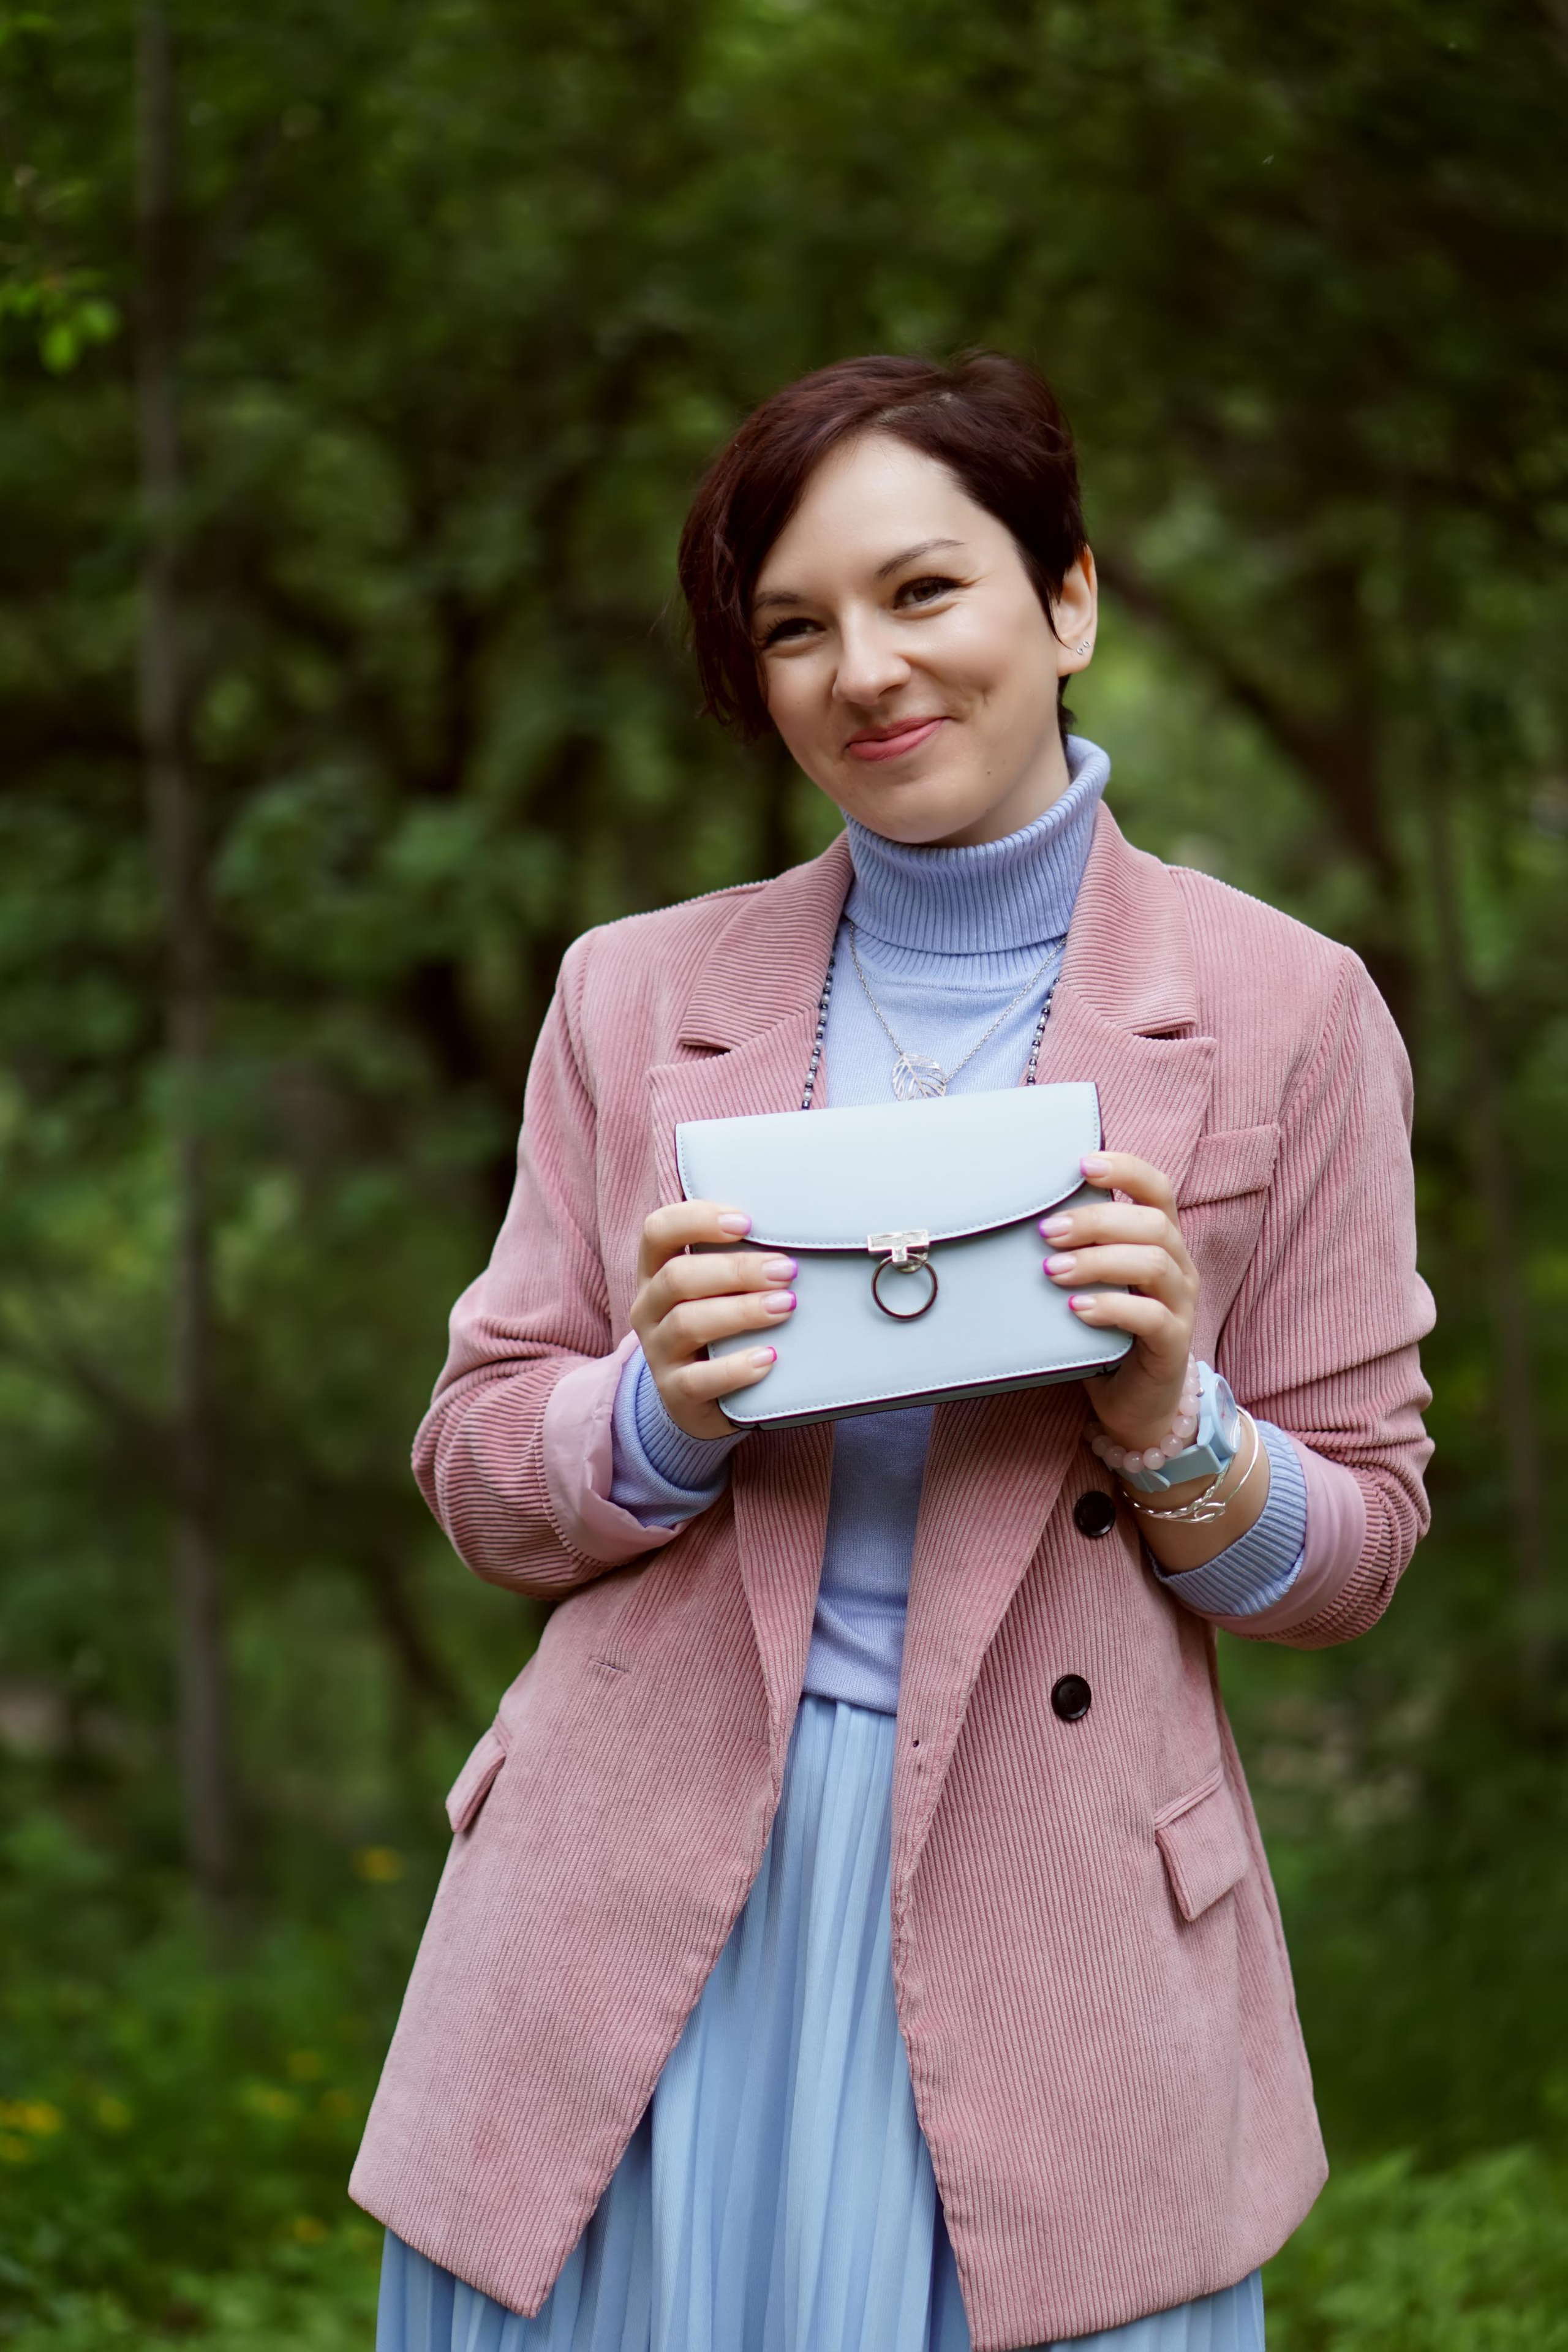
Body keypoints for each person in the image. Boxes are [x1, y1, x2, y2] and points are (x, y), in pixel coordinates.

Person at [352, 353, 1434, 2352]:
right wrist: (653, 1411)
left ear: (1071, 600)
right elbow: (482, 1464)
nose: (864, 667)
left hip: (1057, 1928)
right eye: (792, 627)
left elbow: (1357, 1546)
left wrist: (1172, 1424)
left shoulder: (1292, 1013)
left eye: (924, 591)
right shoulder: (633, 994)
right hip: (635, 1925)